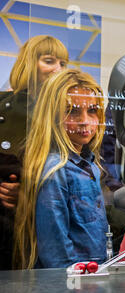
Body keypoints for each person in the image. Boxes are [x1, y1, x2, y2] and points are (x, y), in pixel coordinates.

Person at [12, 69, 108, 269]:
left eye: (92, 110)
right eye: (72, 111)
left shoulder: (89, 164)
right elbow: (56, 256)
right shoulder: (56, 170)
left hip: (92, 278)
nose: (85, 120)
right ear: (52, 116)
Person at [0, 35, 68, 270]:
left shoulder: (65, 114)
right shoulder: (4, 107)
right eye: (49, 61)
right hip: (8, 225)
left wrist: (29, 192)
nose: (58, 69)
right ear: (29, 64)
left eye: (62, 64)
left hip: (49, 224)